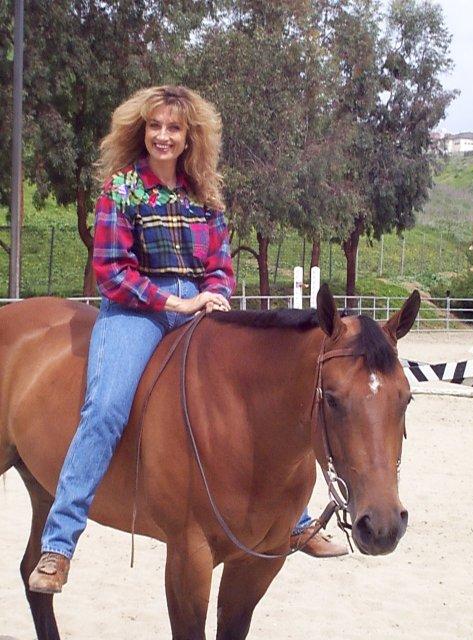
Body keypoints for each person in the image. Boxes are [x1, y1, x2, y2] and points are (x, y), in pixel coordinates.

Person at [29, 86, 344, 595]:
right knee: (105, 408)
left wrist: (215, 296)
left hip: (200, 309)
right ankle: (59, 544)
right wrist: (175, 302)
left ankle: (294, 516)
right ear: (141, 130)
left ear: (188, 136)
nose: (163, 135)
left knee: (254, 399)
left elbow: (220, 267)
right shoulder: (122, 188)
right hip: (135, 311)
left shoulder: (205, 195)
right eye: (155, 126)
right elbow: (111, 272)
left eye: (173, 128)